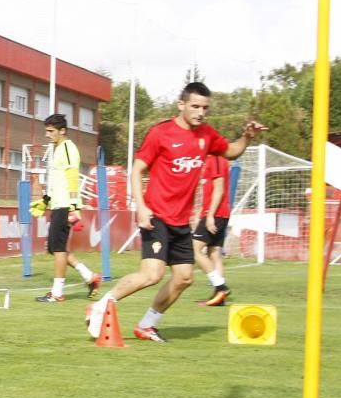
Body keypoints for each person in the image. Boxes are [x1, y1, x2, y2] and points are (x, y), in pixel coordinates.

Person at [85, 82, 265, 343]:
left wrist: (247, 137)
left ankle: (147, 325)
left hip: (181, 222)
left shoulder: (206, 135)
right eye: (195, 106)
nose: (200, 112)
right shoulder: (162, 133)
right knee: (152, 274)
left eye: (205, 108)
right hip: (156, 215)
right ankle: (101, 305)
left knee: (184, 278)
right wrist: (141, 208)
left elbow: (231, 152)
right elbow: (136, 170)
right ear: (181, 105)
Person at [33, 114, 102, 302]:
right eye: (46, 131)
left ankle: (57, 293)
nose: (47, 134)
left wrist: (73, 206)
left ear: (62, 131)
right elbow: (58, 180)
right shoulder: (57, 148)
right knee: (55, 248)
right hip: (58, 203)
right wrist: (46, 200)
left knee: (59, 249)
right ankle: (90, 277)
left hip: (65, 205)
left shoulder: (68, 148)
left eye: (51, 131)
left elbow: (72, 177)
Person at [191, 155, 233, 306]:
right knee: (214, 254)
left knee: (194, 250)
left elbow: (219, 189)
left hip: (215, 213)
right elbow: (211, 191)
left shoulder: (215, 159)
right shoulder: (213, 159)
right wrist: (199, 213)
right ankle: (219, 298)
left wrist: (209, 216)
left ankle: (220, 287)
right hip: (219, 213)